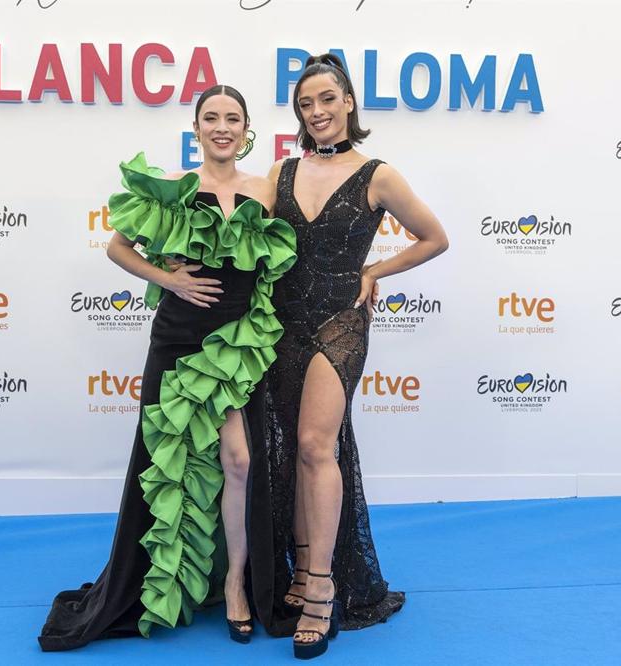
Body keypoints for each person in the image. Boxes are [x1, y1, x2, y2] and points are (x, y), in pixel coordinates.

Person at [38, 85, 296, 651]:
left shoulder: (267, 188)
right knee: (171, 466)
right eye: (211, 118)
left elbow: (287, 257)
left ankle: (234, 583)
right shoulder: (176, 189)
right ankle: (168, 584)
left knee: (239, 460)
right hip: (179, 340)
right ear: (197, 128)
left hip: (237, 345)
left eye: (232, 118)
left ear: (246, 128)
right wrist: (169, 278)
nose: (221, 127)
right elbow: (117, 247)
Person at [263, 54, 450, 659]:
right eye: (305, 103)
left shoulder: (378, 174)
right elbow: (243, 231)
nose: (316, 111)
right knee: (292, 448)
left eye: (326, 99)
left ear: (348, 103)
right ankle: (298, 570)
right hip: (280, 324)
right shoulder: (279, 171)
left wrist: (376, 268)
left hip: (340, 322)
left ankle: (321, 590)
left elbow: (434, 237)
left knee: (317, 444)